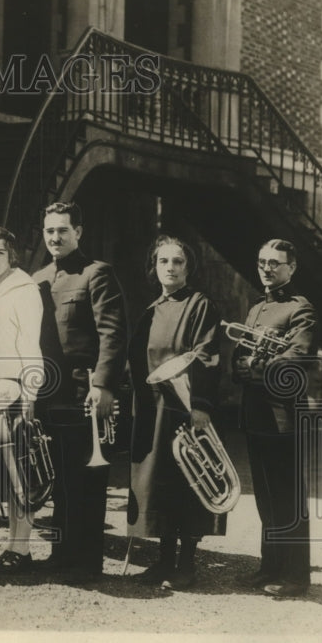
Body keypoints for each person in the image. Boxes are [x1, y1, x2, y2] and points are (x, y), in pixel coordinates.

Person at [33, 201, 127, 583]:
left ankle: (86, 562)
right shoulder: (38, 279)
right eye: (50, 231)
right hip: (48, 395)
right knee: (59, 479)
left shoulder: (97, 273)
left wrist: (104, 384)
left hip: (83, 393)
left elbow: (113, 333)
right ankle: (60, 555)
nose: (56, 237)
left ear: (79, 232)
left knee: (86, 482)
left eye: (63, 230)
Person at [127, 235, 225, 590]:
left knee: (189, 485)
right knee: (160, 486)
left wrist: (200, 406)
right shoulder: (151, 308)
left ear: (188, 267)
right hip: (155, 410)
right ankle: (163, 561)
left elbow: (207, 356)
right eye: (163, 261)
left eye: (177, 261)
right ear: (155, 267)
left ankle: (186, 565)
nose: (170, 267)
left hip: (184, 409)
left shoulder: (201, 305)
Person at [234, 239, 316, 598]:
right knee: (266, 498)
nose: (267, 269)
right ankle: (270, 566)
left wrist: (256, 365)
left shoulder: (301, 309)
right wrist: (242, 366)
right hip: (256, 414)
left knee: (288, 497)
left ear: (291, 268)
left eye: (275, 263)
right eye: (262, 262)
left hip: (283, 416)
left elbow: (297, 357)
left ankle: (296, 575)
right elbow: (239, 358)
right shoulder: (255, 308)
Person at [0, 226, 44, 570]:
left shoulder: (24, 289)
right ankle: (13, 545)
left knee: (23, 471)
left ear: (11, 255)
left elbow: (31, 344)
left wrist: (30, 393)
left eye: (0, 253)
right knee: (6, 472)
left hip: (17, 388)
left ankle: (23, 548)